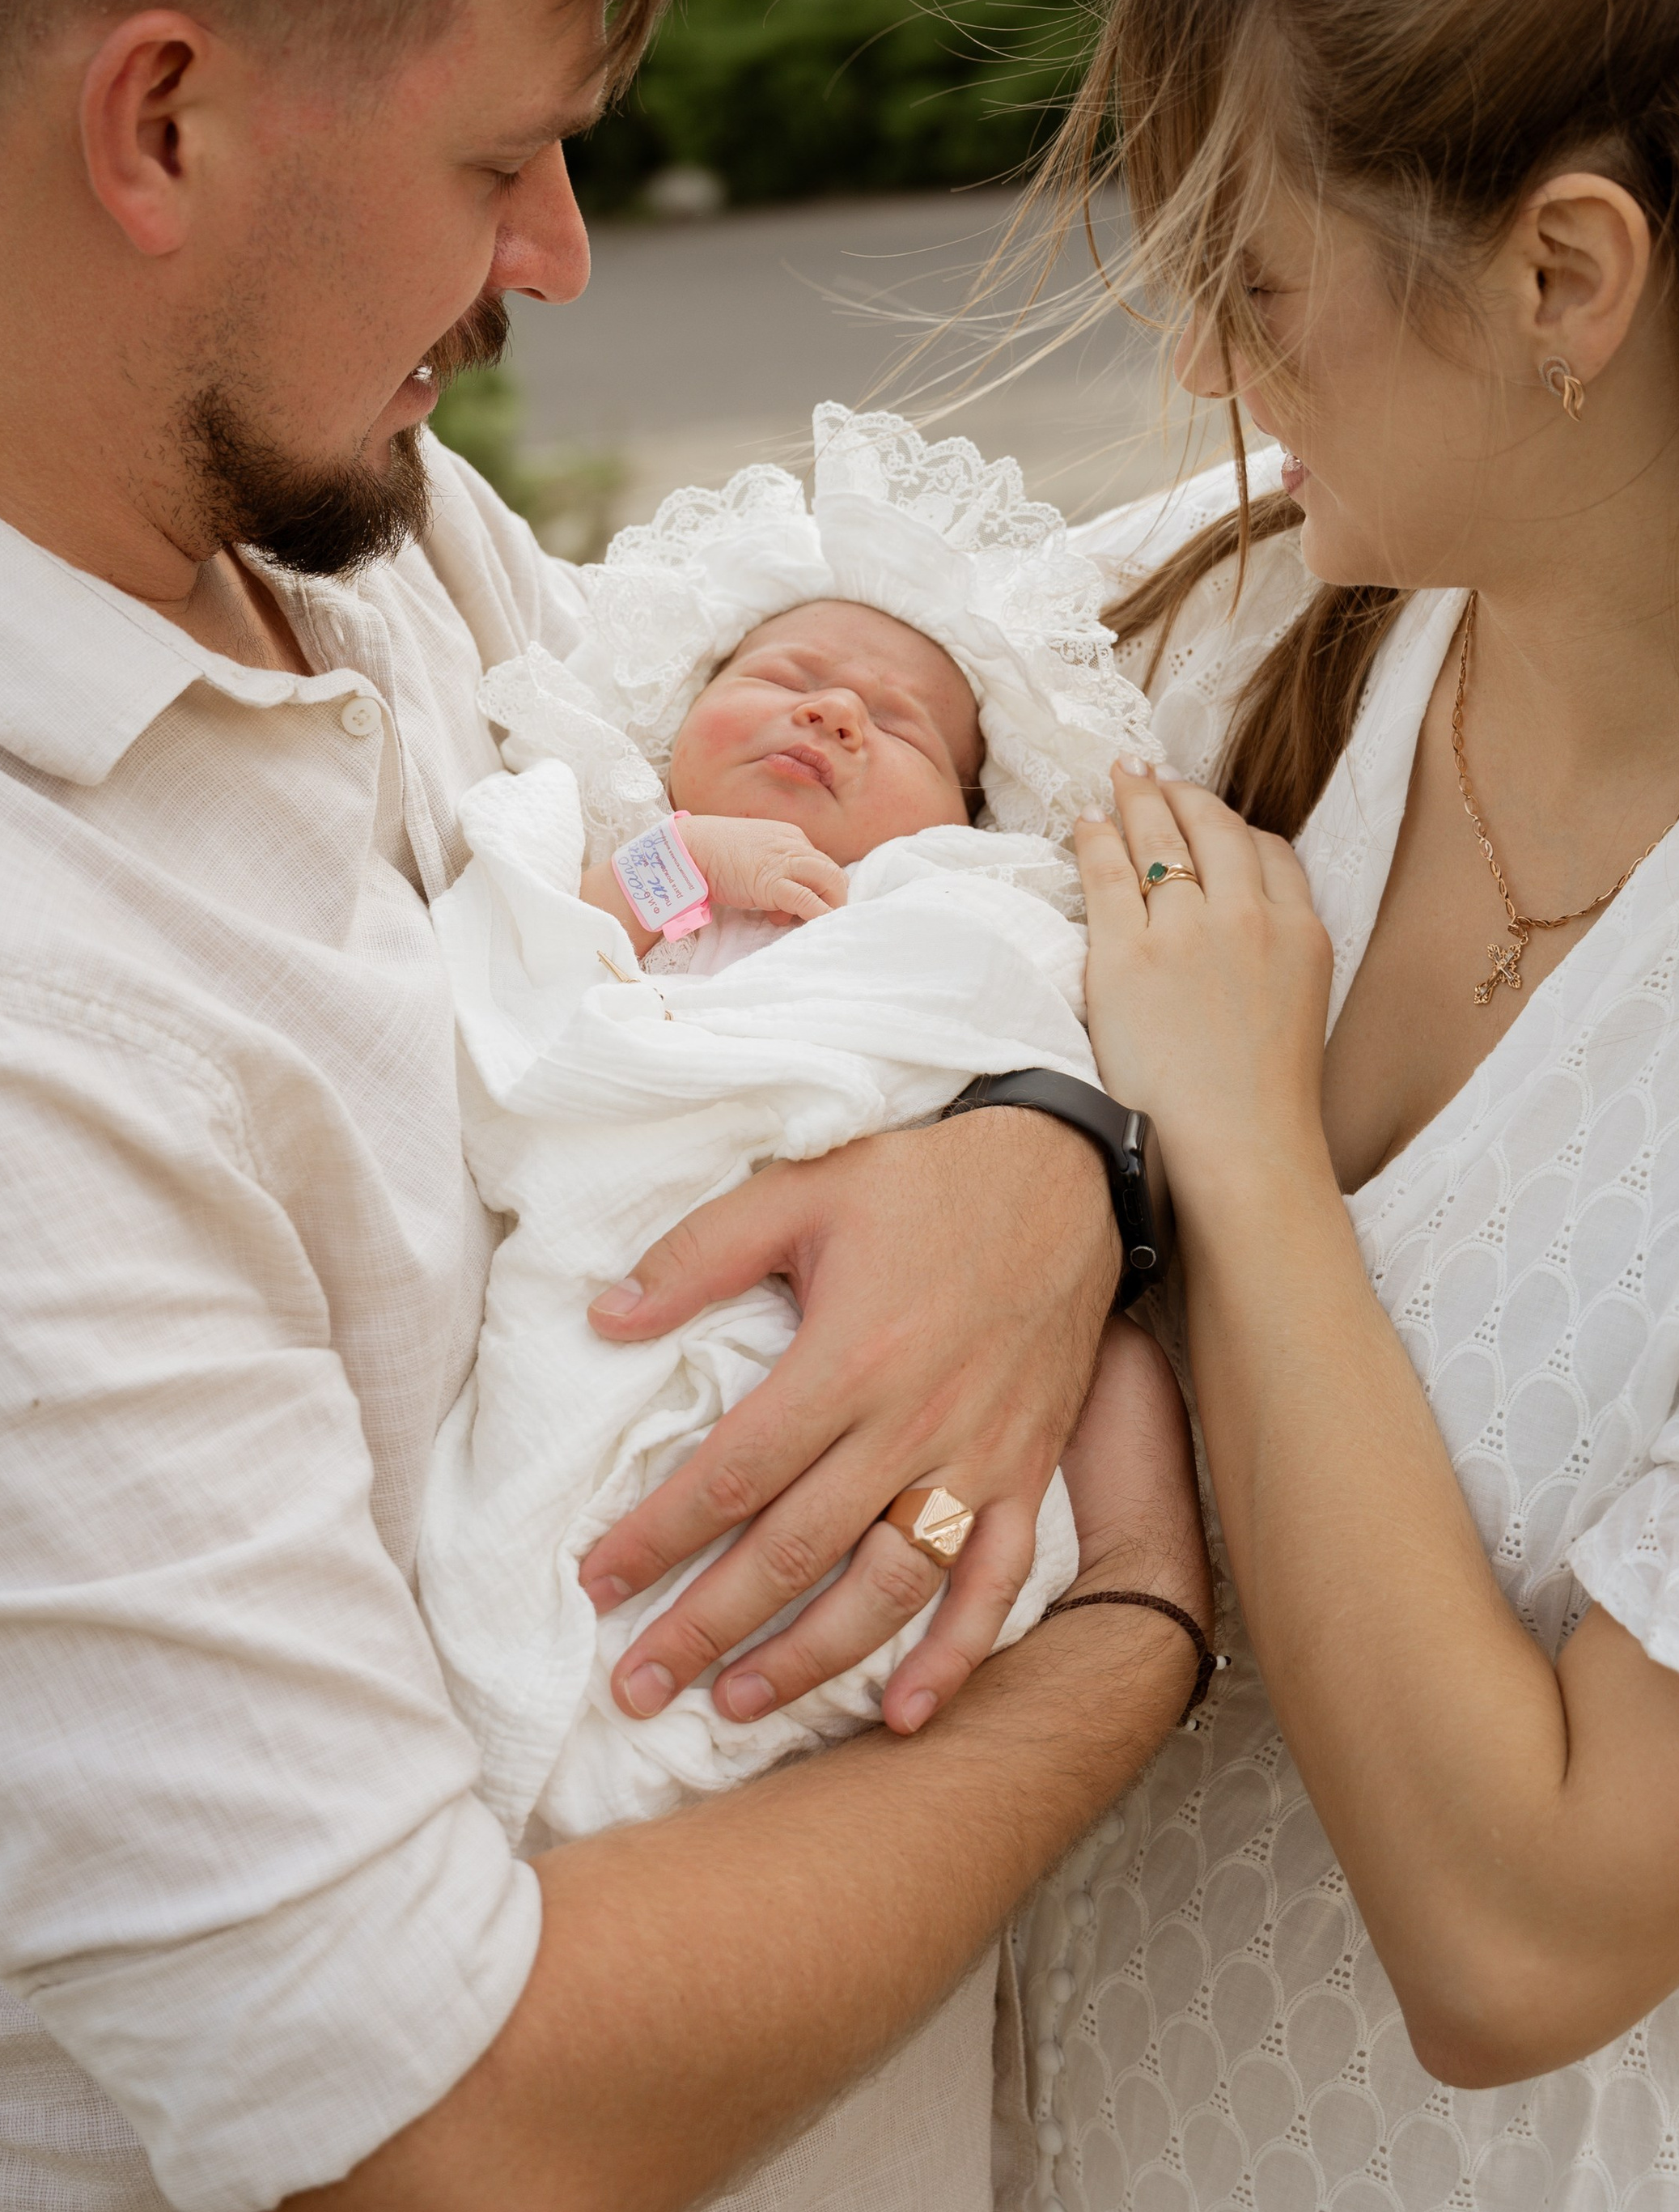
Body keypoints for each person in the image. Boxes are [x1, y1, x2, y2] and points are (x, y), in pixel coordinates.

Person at [0, 0, 1208, 2212]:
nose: (565, 254)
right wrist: (1136, 1631)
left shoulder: (314, 516)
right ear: (161, 121)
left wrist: (1042, 1154)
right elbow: (435, 2142)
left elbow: (769, 919)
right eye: (504, 154)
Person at [1002, 0, 1679, 2212]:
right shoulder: (1255, 636)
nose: (1202, 368)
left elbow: (1526, 1935)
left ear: (1566, 276)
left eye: (1258, 279)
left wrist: (1235, 1153)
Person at [421, 401, 1164, 1844]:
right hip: (624, 1264)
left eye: (901, 725)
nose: (833, 715)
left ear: (963, 813)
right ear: (673, 721)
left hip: (863, 1304)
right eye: (785, 677)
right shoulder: (619, 853)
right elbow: (507, 989)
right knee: (545, 1505)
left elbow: (1014, 1029)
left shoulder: (956, 903)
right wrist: (683, 866)